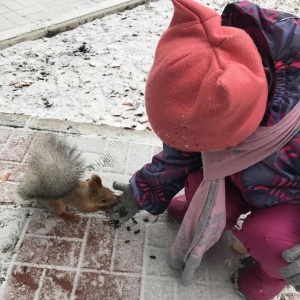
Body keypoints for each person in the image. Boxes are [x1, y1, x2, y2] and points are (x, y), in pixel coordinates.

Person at [108, 0, 300, 299]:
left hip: (288, 199)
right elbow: (181, 152)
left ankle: (268, 275)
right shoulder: (208, 69)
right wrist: (143, 190)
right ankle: (213, 215)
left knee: (272, 239)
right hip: (238, 176)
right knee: (197, 183)